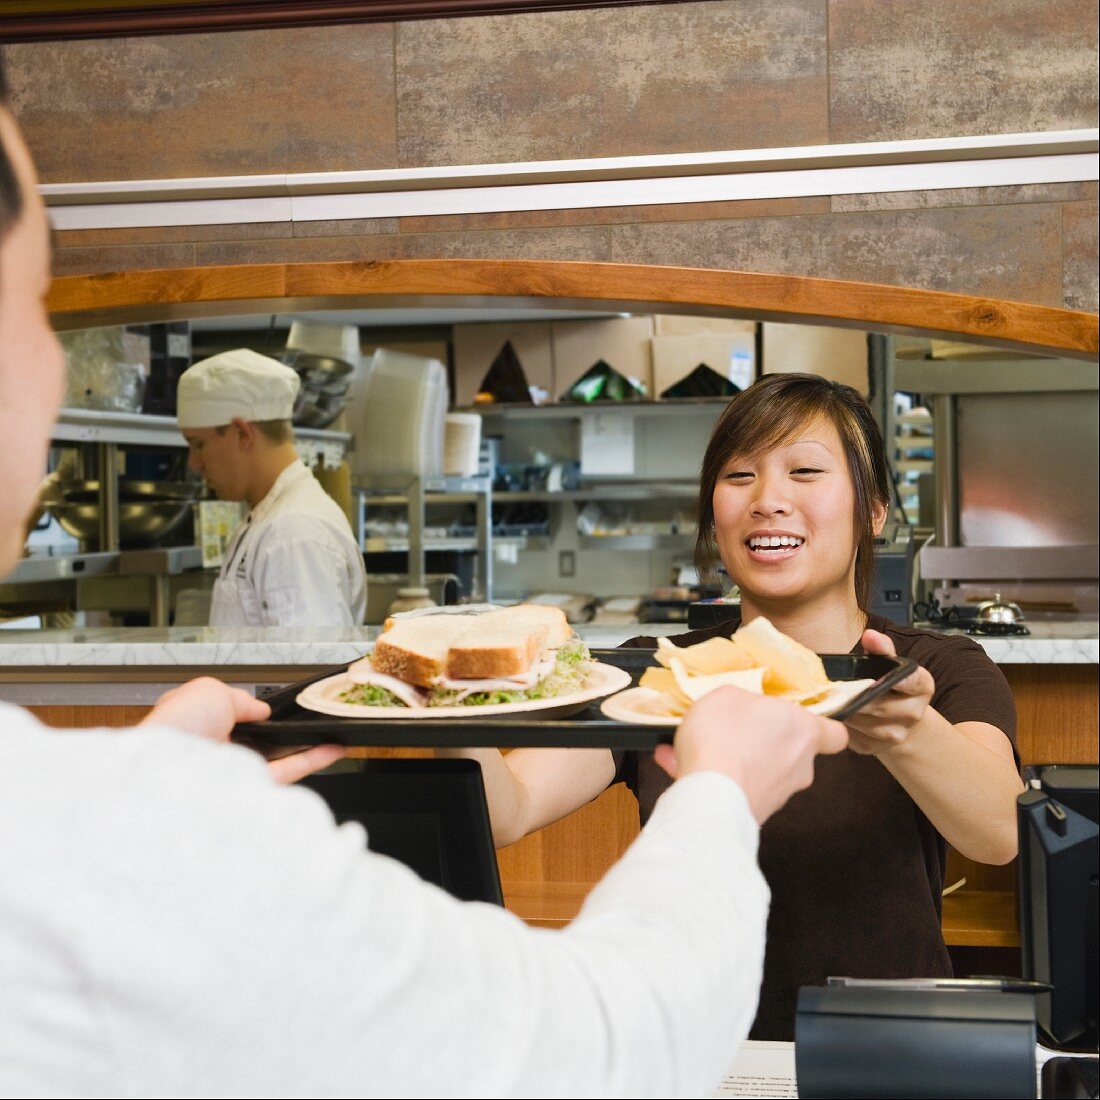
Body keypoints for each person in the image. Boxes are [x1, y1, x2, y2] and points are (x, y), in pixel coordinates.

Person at [0, 70, 850, 1096]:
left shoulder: (73, 827)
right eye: (37, 309)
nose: (50, 362)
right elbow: (594, 1051)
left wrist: (137, 791)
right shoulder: (109, 846)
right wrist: (717, 791)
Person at [448, 372, 1024, 1040]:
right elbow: (506, 809)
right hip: (696, 1044)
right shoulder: (659, 669)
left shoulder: (936, 670)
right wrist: (454, 698)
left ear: (873, 510)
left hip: (883, 1046)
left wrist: (907, 728)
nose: (768, 500)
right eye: (739, 476)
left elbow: (999, 832)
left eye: (805, 471)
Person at [177, 348, 367, 627]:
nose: (194, 463)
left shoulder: (294, 532)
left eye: (198, 445)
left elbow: (306, 664)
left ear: (242, 433)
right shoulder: (270, 518)